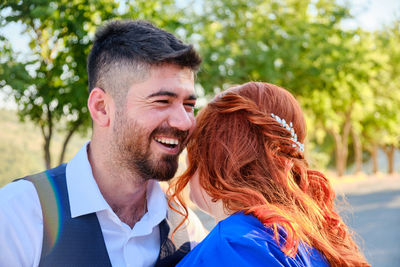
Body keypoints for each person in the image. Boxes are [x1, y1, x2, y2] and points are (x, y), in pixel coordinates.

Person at [0, 19, 207, 266]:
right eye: (162, 101)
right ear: (101, 108)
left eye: (189, 105)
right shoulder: (18, 214)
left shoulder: (186, 228)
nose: (184, 123)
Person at [169, 82, 370, 266]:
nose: (186, 160)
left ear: (217, 157)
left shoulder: (235, 246)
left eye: (193, 146)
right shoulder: (305, 233)